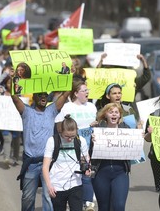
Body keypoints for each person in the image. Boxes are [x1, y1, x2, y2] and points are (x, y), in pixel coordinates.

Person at [11, 74, 70, 211]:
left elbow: (65, 94)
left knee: (49, 196)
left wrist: (68, 76)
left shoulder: (52, 111)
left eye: (45, 95)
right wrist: (14, 79)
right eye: (40, 95)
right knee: (28, 198)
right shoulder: (26, 111)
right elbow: (14, 97)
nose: (43, 97)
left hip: (47, 163)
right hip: (30, 163)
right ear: (34, 97)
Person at [55, 80, 97, 211]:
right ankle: (73, 201)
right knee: (78, 175)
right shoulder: (68, 107)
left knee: (88, 174)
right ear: (76, 93)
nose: (87, 92)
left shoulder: (92, 107)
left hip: (91, 146)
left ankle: (88, 204)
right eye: (84, 91)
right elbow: (59, 124)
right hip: (73, 146)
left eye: (87, 90)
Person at [43, 115, 90, 211]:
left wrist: (87, 169)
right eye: (66, 136)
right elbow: (45, 166)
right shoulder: (52, 141)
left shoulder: (81, 141)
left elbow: (85, 160)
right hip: (57, 185)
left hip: (75, 184)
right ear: (61, 132)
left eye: (72, 136)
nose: (69, 139)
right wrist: (49, 186)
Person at [89, 103, 131, 211]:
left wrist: (139, 137)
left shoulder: (126, 129)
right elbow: (90, 153)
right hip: (101, 173)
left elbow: (134, 149)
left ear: (120, 116)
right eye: (111, 112)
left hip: (120, 173)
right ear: (105, 115)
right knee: (104, 207)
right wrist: (93, 142)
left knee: (119, 206)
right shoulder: (98, 130)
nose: (114, 114)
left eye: (116, 112)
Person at [0, 75, 21, 166]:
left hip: (16, 122)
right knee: (7, 139)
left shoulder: (20, 94)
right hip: (5, 122)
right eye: (8, 83)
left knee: (16, 140)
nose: (10, 85)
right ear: (5, 84)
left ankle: (15, 158)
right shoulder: (1, 95)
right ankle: (6, 157)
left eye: (12, 83)